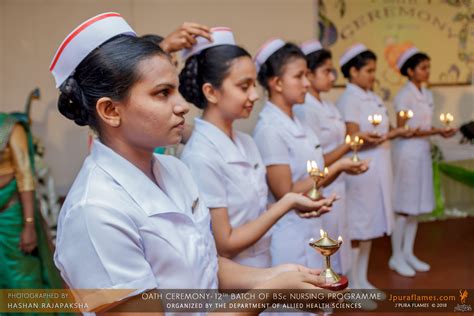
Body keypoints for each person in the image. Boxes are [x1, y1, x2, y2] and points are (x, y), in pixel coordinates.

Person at [50, 13, 327, 313]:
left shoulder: (175, 170)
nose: (182, 106)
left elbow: (206, 265)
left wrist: (278, 277)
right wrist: (270, 292)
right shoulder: (95, 213)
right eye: (163, 93)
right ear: (110, 110)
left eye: (177, 89)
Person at [179, 29, 335, 268]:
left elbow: (255, 210)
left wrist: (294, 206)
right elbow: (225, 244)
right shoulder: (200, 155)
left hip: (265, 261)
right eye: (244, 87)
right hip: (237, 279)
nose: (254, 95)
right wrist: (286, 203)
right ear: (211, 92)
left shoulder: (246, 143)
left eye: (254, 85)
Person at [253, 39, 366, 271]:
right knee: (298, 302)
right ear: (276, 83)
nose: (307, 83)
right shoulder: (269, 130)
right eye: (299, 76)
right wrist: (338, 167)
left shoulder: (298, 120)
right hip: (291, 233)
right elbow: (286, 193)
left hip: (312, 222)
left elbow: (315, 168)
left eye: (307, 75)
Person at [336, 43, 410, 290]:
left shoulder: (373, 97)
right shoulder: (349, 99)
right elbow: (352, 137)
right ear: (353, 72)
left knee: (371, 227)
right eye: (368, 70)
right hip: (362, 172)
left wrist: (396, 131)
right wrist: (376, 137)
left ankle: (363, 279)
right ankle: (353, 285)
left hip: (379, 169)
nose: (372, 75)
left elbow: (383, 130)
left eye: (373, 70)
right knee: (359, 228)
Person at [293, 40, 369, 276]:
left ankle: (352, 284)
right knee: (327, 243)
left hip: (337, 180)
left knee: (341, 237)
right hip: (322, 182)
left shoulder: (328, 104)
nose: (332, 76)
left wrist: (348, 146)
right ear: (309, 74)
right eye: (326, 71)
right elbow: (318, 158)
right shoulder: (305, 108)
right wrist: (349, 145)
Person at [390, 47, 457, 277]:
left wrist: (440, 131)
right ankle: (396, 256)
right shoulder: (404, 96)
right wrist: (436, 131)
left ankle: (408, 252)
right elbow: (402, 130)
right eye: (422, 68)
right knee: (403, 206)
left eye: (428, 67)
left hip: (421, 152)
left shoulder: (426, 94)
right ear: (410, 71)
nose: (427, 71)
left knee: (415, 206)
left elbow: (425, 128)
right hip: (407, 153)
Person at [0, 111, 63, 292]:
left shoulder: (10, 127)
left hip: (11, 216)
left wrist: (29, 225)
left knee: (22, 280)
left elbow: (25, 176)